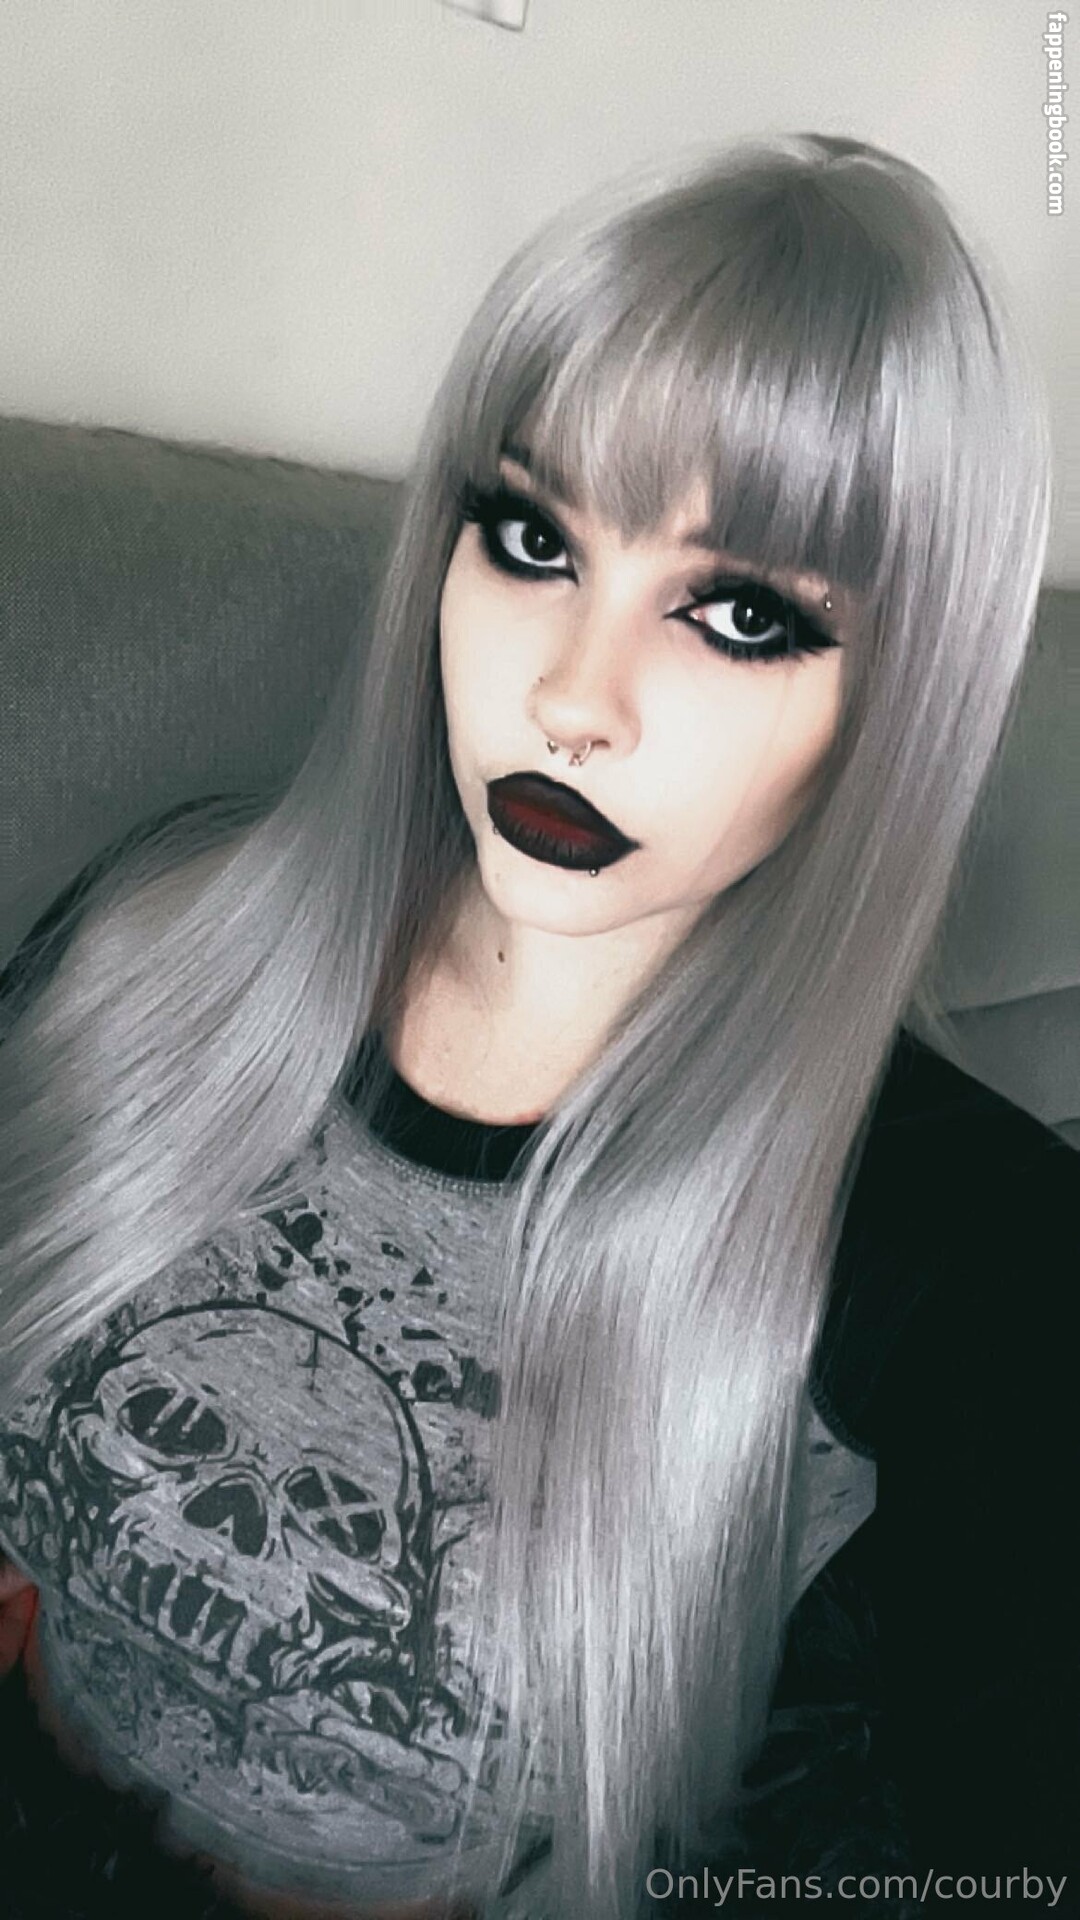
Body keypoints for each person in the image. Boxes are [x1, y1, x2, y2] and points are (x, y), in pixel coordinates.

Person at [0, 133, 1075, 1920]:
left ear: (901, 703)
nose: (574, 698)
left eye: (740, 613)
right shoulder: (155, 941)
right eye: (533, 538)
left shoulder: (974, 1269)